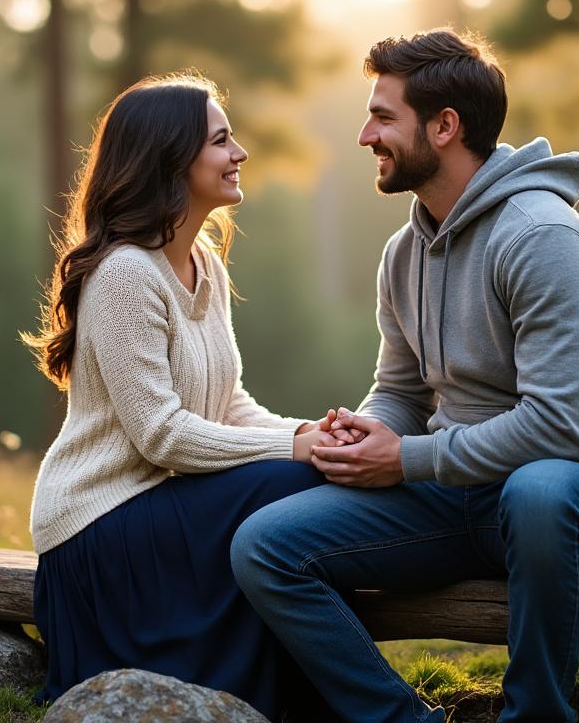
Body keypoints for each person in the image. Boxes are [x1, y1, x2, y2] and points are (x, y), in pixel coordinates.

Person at [230, 30, 579, 722]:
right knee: (266, 546)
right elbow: (403, 391)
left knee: (540, 491)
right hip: (461, 494)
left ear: (445, 126)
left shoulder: (542, 238)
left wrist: (404, 459)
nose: (365, 134)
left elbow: (558, 429)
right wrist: (370, 431)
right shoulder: (405, 253)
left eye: (382, 117)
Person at [23, 73, 345, 719]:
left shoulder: (206, 265)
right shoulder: (124, 274)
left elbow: (228, 404)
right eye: (222, 140)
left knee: (309, 476)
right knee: (289, 486)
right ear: (172, 158)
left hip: (162, 507)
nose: (240, 154)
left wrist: (314, 432)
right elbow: (160, 434)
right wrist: (293, 449)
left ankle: (302, 687)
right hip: (99, 526)